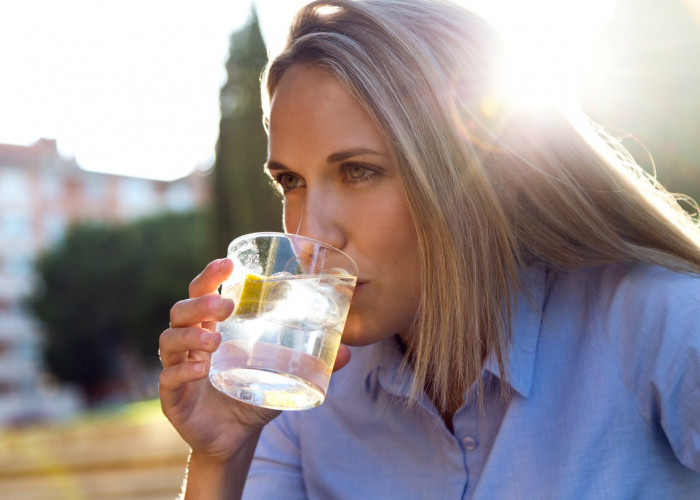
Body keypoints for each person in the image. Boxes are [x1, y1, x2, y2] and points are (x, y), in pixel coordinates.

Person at [158, 0, 700, 498]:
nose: (310, 235)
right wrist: (219, 456)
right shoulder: (297, 392)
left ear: (476, 175)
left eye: (358, 171)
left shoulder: (659, 324)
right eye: (290, 182)